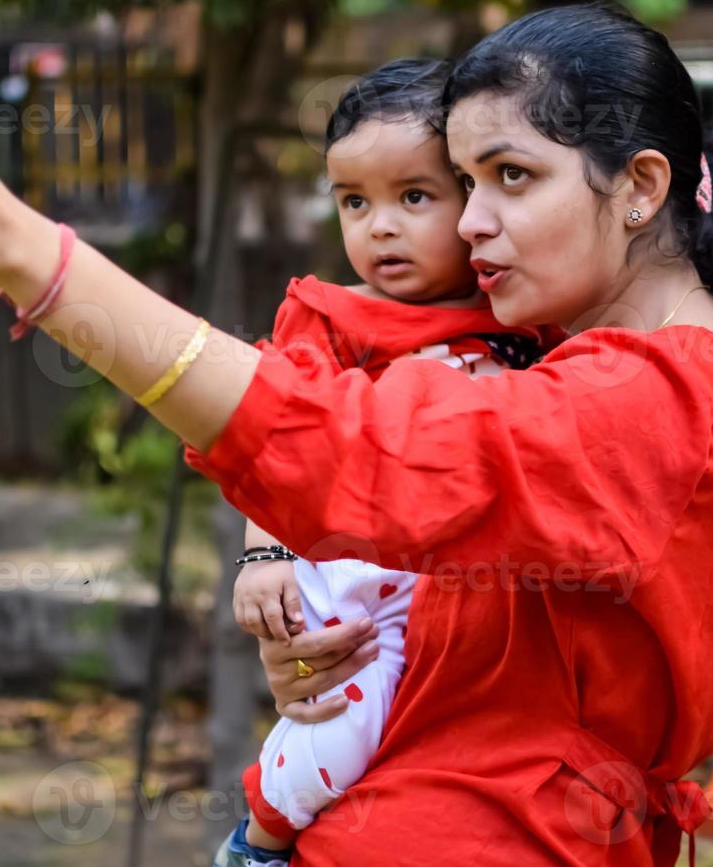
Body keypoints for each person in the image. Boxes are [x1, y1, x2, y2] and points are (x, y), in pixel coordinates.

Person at [0, 0, 713, 866]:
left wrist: (29, 250)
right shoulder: (608, 366)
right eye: (466, 181)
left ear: (642, 186)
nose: (470, 222)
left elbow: (348, 444)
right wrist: (320, 625)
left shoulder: (653, 397)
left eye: (511, 176)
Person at [203, 59, 555, 867]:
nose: (379, 226)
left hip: (451, 614)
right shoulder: (332, 320)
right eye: (354, 202)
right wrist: (263, 555)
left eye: (414, 197)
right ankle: (256, 845)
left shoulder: (518, 319)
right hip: (353, 605)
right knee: (338, 733)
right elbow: (274, 441)